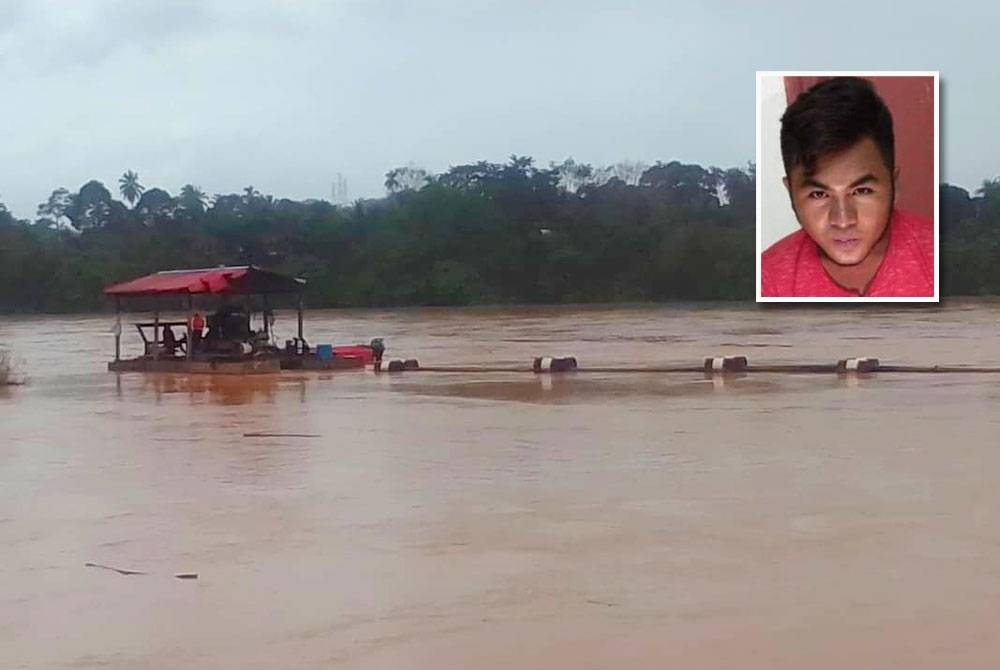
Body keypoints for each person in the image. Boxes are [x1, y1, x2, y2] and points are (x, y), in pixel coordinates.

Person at [760, 77, 934, 298]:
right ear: (791, 193)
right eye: (819, 194)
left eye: (862, 191)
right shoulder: (767, 281)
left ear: (894, 184)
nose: (843, 220)